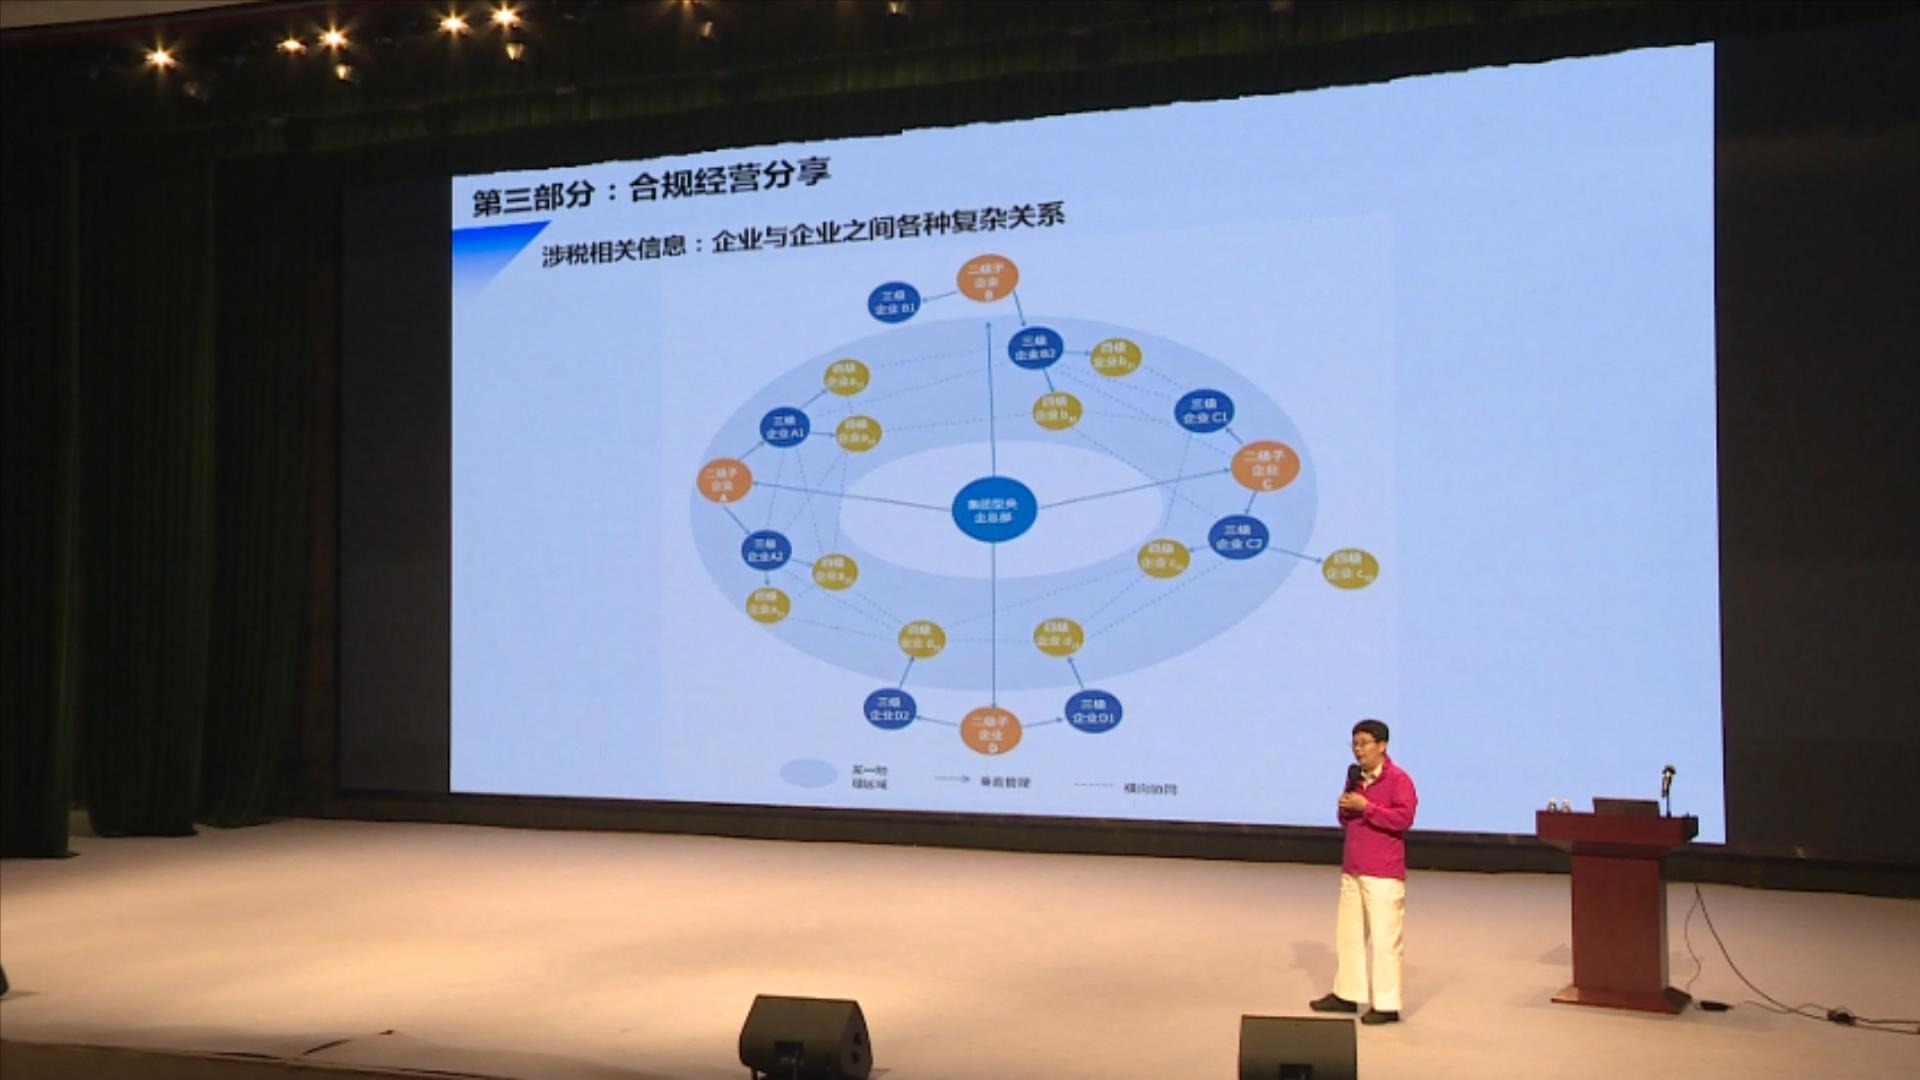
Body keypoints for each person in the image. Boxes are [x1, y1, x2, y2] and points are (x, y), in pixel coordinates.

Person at [1310, 718, 1418, 1024]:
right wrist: (1346, 806)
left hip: (1383, 871)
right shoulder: (1355, 779)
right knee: (1349, 935)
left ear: (1382, 746)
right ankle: (1347, 994)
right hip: (1353, 867)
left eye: (1364, 743)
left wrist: (1366, 807)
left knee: (1385, 941)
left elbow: (1404, 819)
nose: (1358, 750)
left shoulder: (1399, 779)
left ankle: (1387, 1005)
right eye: (1354, 744)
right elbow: (1346, 820)